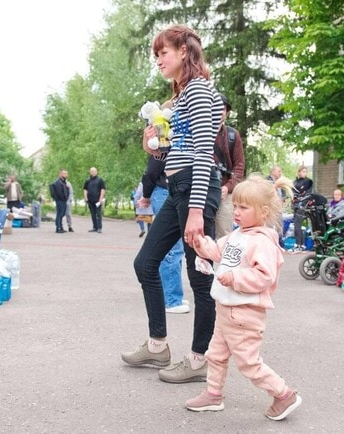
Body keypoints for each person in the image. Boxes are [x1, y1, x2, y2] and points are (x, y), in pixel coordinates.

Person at [121, 24, 223, 383]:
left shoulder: (197, 90)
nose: (159, 60)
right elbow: (177, 153)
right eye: (156, 54)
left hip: (195, 190)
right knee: (146, 262)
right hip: (178, 187)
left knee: (200, 278)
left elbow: (202, 154)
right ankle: (157, 344)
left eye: (163, 52)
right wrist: (154, 145)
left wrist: (195, 211)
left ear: (183, 51)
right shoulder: (179, 98)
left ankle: (199, 361)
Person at [185, 174, 301, 421]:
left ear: (263, 211)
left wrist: (236, 278)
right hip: (226, 309)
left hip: (245, 314)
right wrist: (200, 243)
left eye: (243, 207)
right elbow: (217, 252)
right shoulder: (237, 235)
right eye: (235, 206)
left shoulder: (262, 242)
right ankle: (213, 394)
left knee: (248, 363)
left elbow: (264, 276)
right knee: (215, 355)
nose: (236, 212)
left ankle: (283, 394)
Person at [140, 155, 189, 314]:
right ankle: (171, 299)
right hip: (164, 191)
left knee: (177, 246)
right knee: (172, 249)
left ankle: (173, 293)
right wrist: (146, 195)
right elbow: (152, 171)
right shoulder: (164, 140)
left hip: (172, 190)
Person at [213, 94, 245, 238]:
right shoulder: (197, 132)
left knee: (224, 237)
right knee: (200, 238)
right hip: (201, 193)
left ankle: (224, 261)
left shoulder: (232, 135)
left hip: (224, 194)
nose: (219, 111)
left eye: (223, 108)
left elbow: (239, 166)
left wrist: (227, 187)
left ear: (226, 112)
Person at [291, 166, 313, 252]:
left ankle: (299, 245)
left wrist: (299, 196)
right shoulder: (295, 182)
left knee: (298, 225)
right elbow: (293, 192)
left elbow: (307, 194)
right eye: (303, 171)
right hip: (296, 205)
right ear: (299, 172)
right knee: (298, 226)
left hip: (303, 205)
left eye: (305, 172)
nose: (305, 173)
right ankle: (300, 244)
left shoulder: (308, 181)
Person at [83, 167, 106, 233]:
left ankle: (99, 228)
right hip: (90, 200)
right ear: (90, 172)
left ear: (96, 172)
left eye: (94, 171)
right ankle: (94, 227)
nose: (93, 172)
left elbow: (103, 189)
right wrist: (86, 198)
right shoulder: (87, 180)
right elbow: (85, 189)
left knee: (98, 214)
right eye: (92, 171)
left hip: (97, 200)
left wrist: (100, 199)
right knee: (93, 214)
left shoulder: (100, 180)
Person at [49, 169, 69, 234]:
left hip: (63, 200)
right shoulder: (58, 182)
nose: (66, 175)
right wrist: (63, 198)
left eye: (66, 174)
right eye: (64, 173)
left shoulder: (63, 182)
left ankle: (60, 226)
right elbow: (59, 193)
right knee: (60, 214)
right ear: (60, 174)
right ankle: (58, 227)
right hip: (60, 201)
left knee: (62, 214)